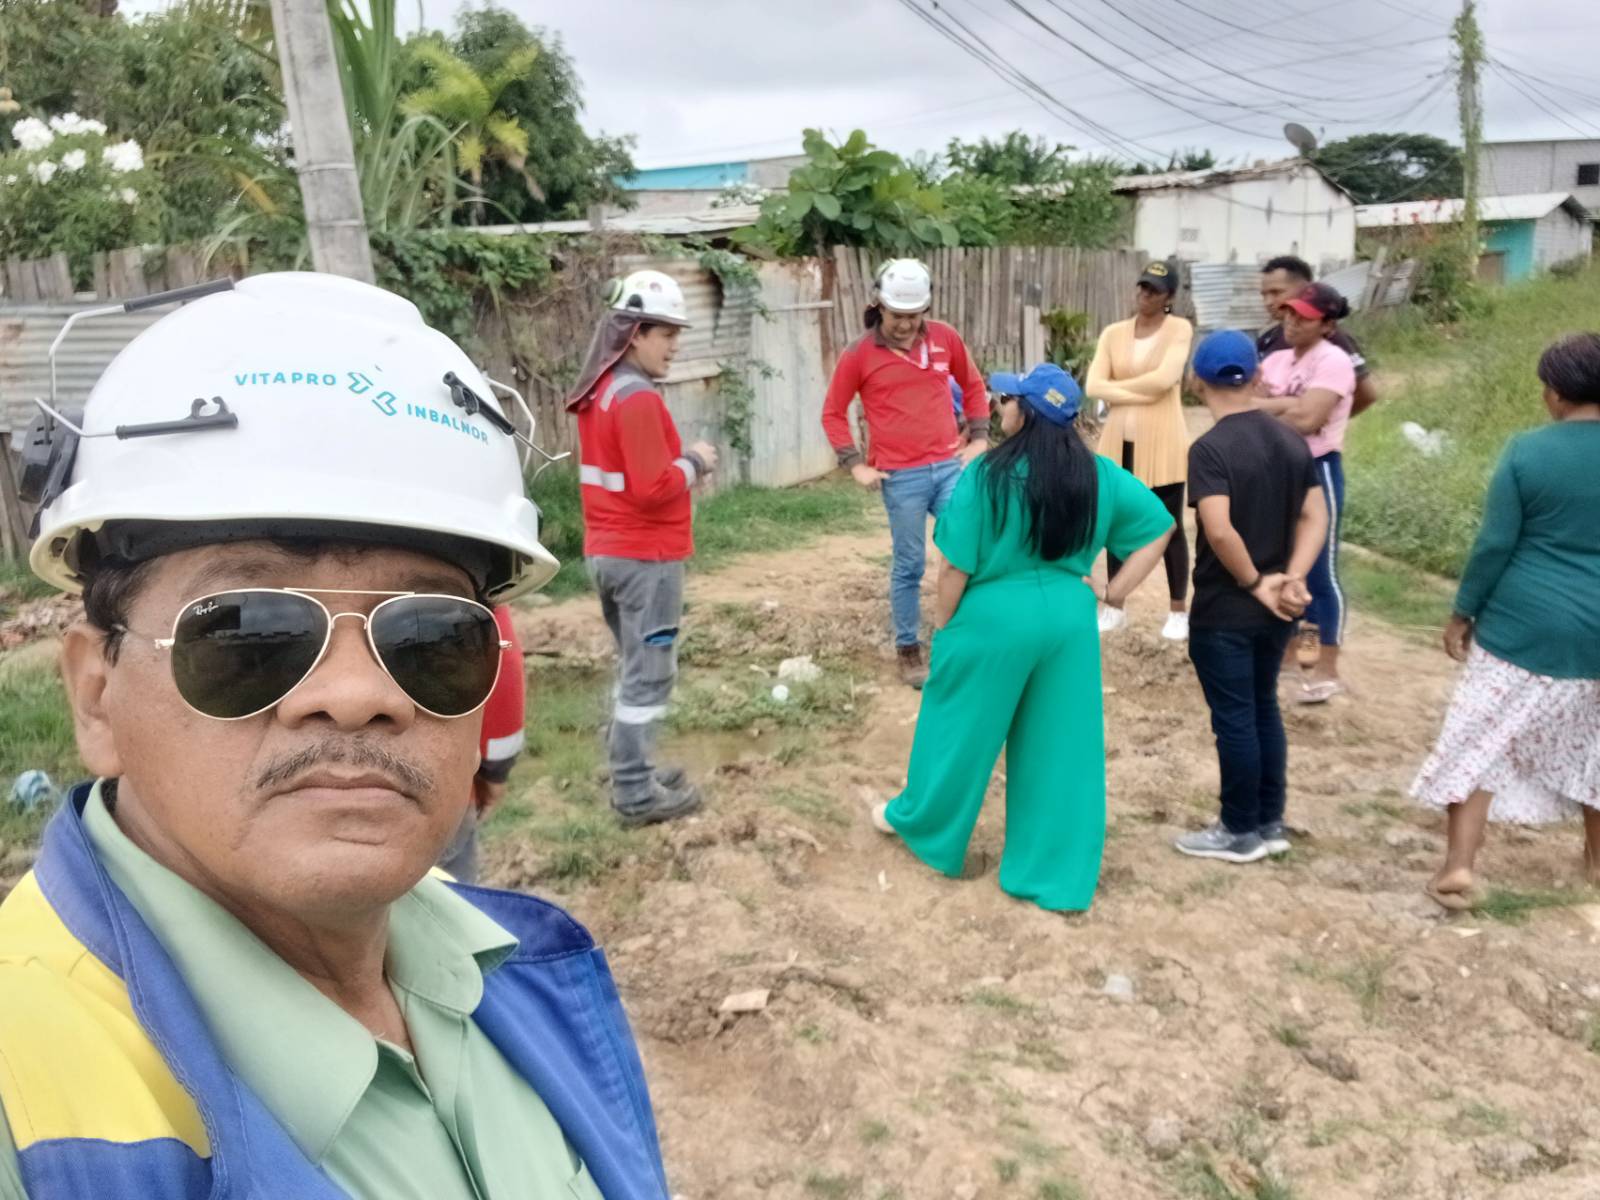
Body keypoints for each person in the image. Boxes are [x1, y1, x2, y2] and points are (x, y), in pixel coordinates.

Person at [0, 273, 671, 1197]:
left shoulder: (523, 971)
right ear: (95, 694)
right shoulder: (30, 1115)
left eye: (429, 634)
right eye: (248, 632)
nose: (357, 695)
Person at [870, 363, 1174, 911]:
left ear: (1025, 413)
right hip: (1068, 621)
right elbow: (1161, 526)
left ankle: (925, 825)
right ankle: (1053, 873)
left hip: (993, 617)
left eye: (1008, 399)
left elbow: (953, 567)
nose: (999, 405)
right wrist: (1113, 593)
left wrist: (945, 625)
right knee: (1061, 747)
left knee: (955, 727)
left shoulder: (985, 475)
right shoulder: (1098, 474)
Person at [1412, 332, 1600, 911]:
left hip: (1522, 625)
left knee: (1478, 736)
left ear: (1556, 392)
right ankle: (1596, 866)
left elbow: (1495, 544)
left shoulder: (1527, 451)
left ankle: (1459, 867)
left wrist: (1463, 611)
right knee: (1596, 746)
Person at [566, 269, 716, 827]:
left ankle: (635, 765)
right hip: (645, 559)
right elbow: (652, 488)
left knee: (635, 667)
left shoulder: (602, 391)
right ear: (634, 334)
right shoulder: (637, 399)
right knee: (651, 674)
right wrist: (696, 461)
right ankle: (634, 790)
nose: (675, 345)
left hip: (609, 553)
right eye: (666, 333)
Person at [1174, 332, 1330, 864]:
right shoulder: (1290, 441)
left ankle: (1239, 829)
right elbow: (1316, 516)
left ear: (1196, 383)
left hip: (1228, 607)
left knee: (1235, 718)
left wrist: (1255, 582)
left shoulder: (1210, 449)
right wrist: (1293, 577)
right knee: (1263, 706)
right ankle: (1269, 819)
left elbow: (1219, 530)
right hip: (1278, 609)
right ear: (1259, 377)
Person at [822, 258, 989, 688]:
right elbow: (833, 413)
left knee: (968, 548)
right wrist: (854, 464)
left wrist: (979, 437)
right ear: (879, 305)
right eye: (897, 315)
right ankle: (908, 648)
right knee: (910, 564)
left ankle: (967, 636)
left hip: (949, 467)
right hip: (901, 477)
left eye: (914, 315)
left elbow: (973, 385)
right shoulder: (859, 354)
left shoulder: (945, 338)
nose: (905, 324)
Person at [1254, 281, 1356, 704]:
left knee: (1317, 571)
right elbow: (1247, 407)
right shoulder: (1277, 359)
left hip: (1317, 468)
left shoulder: (1334, 361)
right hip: (1277, 468)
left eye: (1305, 317)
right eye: (1290, 313)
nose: (1292, 322)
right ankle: (1290, 654)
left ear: (1327, 325)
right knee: (1279, 561)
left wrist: (1271, 406)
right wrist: (1286, 405)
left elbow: (1308, 420)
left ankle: (1325, 664)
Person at [1085, 260, 1196, 641]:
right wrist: (1142, 392)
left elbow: (1166, 378)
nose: (1144, 295)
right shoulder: (1113, 333)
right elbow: (1094, 385)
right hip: (1119, 443)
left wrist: (1120, 391)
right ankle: (1115, 604)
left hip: (1163, 442)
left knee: (1169, 526)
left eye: (1154, 290)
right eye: (1142, 287)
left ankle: (1178, 610)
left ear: (1169, 297)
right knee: (1116, 523)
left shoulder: (1179, 329)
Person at [436, 605, 524, 884]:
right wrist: (496, 771)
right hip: (440, 789)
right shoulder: (455, 583)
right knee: (450, 898)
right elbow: (500, 665)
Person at [1257, 255, 1379, 418]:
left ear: (1305, 289)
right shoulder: (1268, 337)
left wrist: (1325, 420)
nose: (1268, 302)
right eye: (1264, 295)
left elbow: (1366, 395)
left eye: (1276, 292)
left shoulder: (1329, 338)